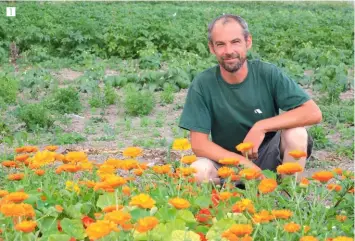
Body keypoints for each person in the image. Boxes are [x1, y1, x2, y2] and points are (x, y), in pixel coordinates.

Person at [178, 14, 322, 185]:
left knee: (297, 133)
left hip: (270, 158)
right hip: (227, 164)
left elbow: (313, 112)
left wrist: (261, 127)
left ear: (248, 42)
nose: (229, 51)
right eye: (221, 44)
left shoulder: (267, 73)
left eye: (235, 42)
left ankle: (287, 197)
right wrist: (242, 163)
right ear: (211, 48)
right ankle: (225, 199)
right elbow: (199, 145)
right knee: (197, 171)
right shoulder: (203, 84)